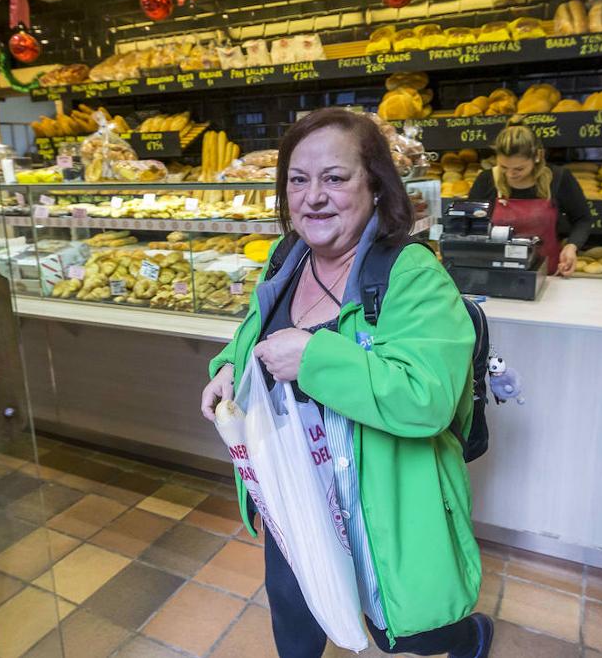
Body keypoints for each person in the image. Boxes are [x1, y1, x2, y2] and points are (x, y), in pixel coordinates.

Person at [201, 108, 491, 658]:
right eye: (298, 179)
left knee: (404, 629)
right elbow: (250, 334)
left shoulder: (410, 274)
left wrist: (313, 357)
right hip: (293, 488)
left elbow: (425, 398)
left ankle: (468, 636)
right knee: (295, 611)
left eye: (334, 178)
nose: (313, 197)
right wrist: (226, 369)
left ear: (376, 187)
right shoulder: (287, 258)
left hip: (380, 496)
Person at [467, 115, 591, 276]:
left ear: (538, 156)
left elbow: (582, 219)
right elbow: (469, 224)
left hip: (546, 273)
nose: (510, 174)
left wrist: (571, 246)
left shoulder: (558, 178)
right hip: (495, 272)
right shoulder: (486, 180)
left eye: (519, 169)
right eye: (504, 167)